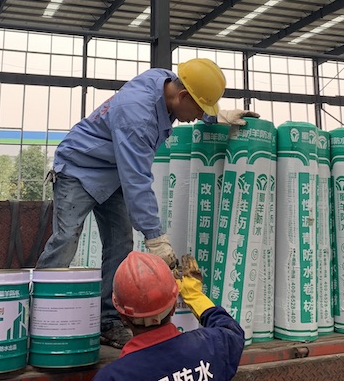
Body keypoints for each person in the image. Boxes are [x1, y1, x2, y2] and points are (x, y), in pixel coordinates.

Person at [35, 58, 256, 348]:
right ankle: (39, 314)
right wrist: (155, 238)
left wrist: (217, 116)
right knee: (66, 239)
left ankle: (108, 321)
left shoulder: (163, 81)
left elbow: (133, 172)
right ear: (183, 96)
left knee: (120, 244)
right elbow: (137, 180)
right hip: (80, 168)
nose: (196, 117)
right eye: (199, 110)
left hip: (113, 172)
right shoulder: (136, 116)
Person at [93, 252, 245, 381]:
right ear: (173, 307)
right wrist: (194, 296)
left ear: (122, 315)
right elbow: (232, 331)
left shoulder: (113, 376)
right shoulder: (211, 347)